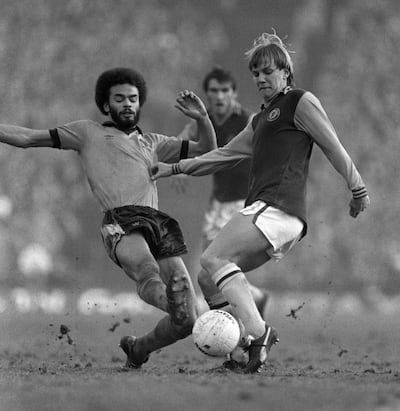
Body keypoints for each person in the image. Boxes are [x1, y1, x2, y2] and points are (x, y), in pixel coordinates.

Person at [152, 32, 370, 373]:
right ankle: (242, 355)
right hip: (270, 213)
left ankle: (257, 331)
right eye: (255, 73)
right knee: (209, 279)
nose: (260, 79)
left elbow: (332, 144)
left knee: (212, 256)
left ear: (285, 72)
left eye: (267, 71)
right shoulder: (260, 120)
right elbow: (222, 156)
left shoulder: (299, 102)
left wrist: (357, 188)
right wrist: (174, 167)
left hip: (278, 207)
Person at [0, 67, 217, 368]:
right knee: (146, 269)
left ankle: (139, 349)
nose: (128, 103)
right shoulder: (87, 133)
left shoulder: (154, 142)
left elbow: (208, 149)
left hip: (158, 221)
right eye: (120, 98)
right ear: (106, 105)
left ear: (140, 104)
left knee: (189, 321)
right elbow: (27, 138)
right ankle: (171, 302)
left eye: (133, 98)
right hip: (120, 220)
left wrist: (202, 118)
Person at [177, 66, 269, 320]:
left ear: (234, 93)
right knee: (210, 265)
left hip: (244, 202)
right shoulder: (204, 122)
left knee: (212, 265)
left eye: (224, 91)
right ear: (206, 95)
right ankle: (254, 298)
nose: (219, 96)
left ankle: (234, 320)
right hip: (218, 203)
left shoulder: (248, 121)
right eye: (213, 91)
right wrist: (181, 168)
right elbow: (183, 141)